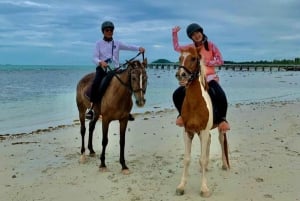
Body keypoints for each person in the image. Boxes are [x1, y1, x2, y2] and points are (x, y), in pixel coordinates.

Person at [172, 23, 230, 133]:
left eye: (197, 33)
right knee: (177, 94)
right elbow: (177, 48)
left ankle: (222, 119)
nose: (196, 36)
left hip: (210, 78)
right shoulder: (190, 48)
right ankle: (181, 115)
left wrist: (207, 62)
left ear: (201, 32)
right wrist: (174, 34)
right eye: (193, 35)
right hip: (194, 80)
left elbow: (220, 61)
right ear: (191, 37)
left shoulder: (211, 46)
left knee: (220, 94)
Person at [86, 21, 145, 120]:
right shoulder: (98, 43)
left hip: (116, 69)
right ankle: (91, 108)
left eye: (111, 30)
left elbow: (128, 46)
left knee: (128, 82)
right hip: (103, 69)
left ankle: (126, 110)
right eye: (107, 30)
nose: (109, 31)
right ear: (103, 31)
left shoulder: (117, 43)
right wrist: (101, 62)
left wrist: (139, 48)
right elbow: (94, 57)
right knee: (96, 83)